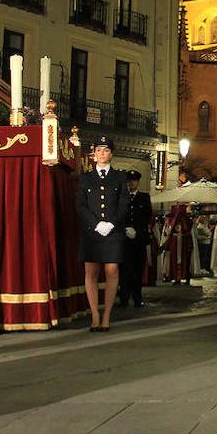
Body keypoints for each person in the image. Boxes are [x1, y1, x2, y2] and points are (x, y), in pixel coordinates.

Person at [75, 136, 129, 331]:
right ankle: (95, 316)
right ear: (94, 154)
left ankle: (106, 315)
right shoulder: (85, 178)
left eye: (105, 150)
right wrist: (96, 223)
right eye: (98, 150)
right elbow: (80, 205)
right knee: (91, 272)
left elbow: (124, 205)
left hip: (113, 232)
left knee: (112, 270)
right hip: (92, 231)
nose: (101, 154)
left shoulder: (120, 177)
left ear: (111, 154)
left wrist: (111, 224)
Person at [118, 170, 152, 308]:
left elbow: (147, 215)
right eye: (129, 180)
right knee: (125, 269)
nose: (131, 183)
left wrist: (136, 229)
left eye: (134, 180)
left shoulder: (144, 197)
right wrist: (124, 228)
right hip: (124, 239)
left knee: (137, 269)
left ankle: (138, 298)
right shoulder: (121, 197)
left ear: (138, 182)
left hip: (138, 239)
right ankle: (124, 298)